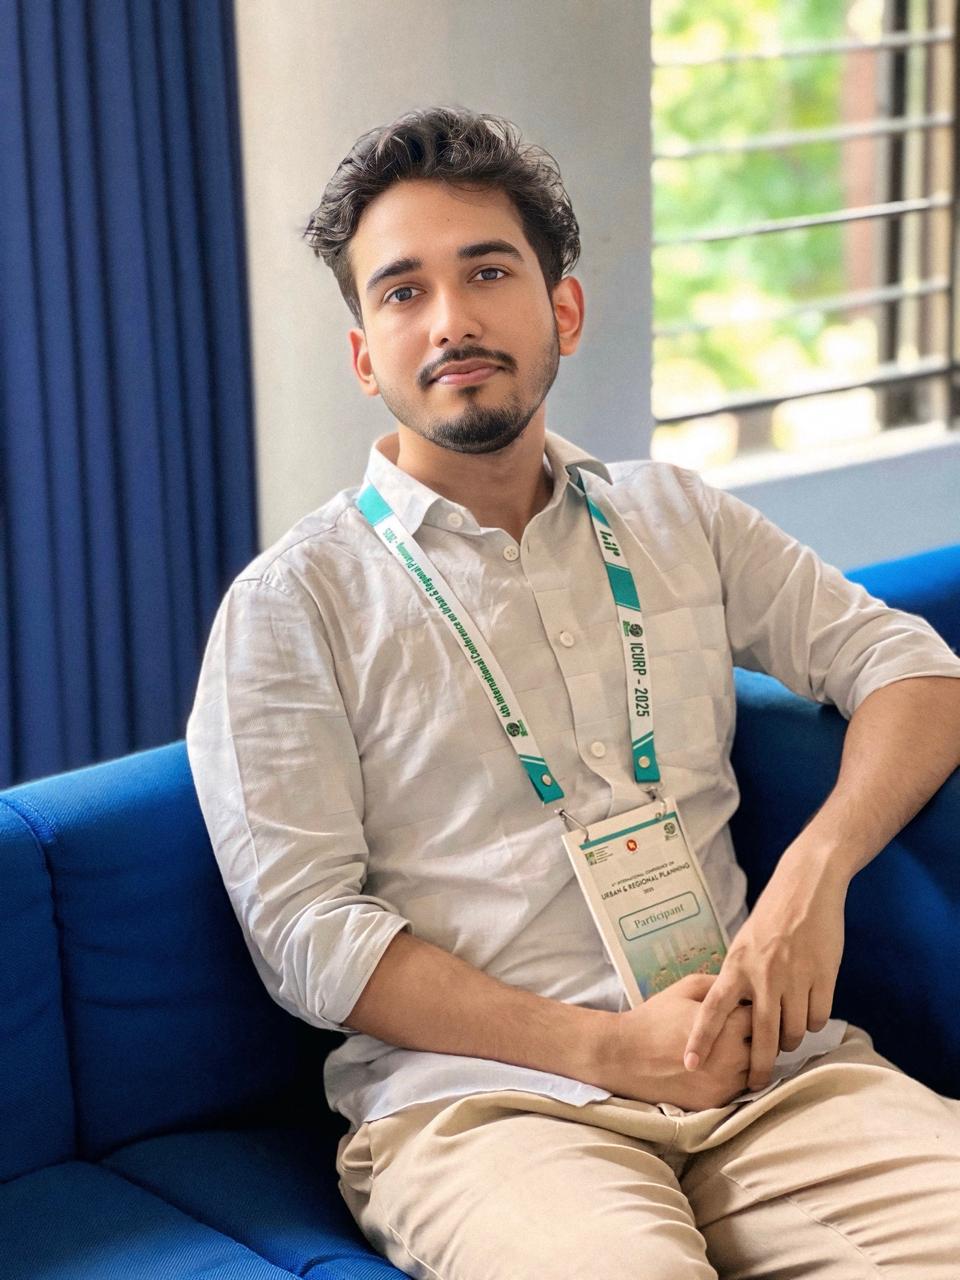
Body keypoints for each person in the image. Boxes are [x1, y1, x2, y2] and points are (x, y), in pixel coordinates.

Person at [186, 105, 960, 1278]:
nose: (451, 319)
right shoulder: (293, 604)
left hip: (763, 1069)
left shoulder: (676, 514)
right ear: (365, 356)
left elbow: (916, 668)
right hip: (487, 1110)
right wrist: (605, 1048)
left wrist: (814, 876)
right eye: (402, 292)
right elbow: (308, 934)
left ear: (565, 310)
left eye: (487, 271)